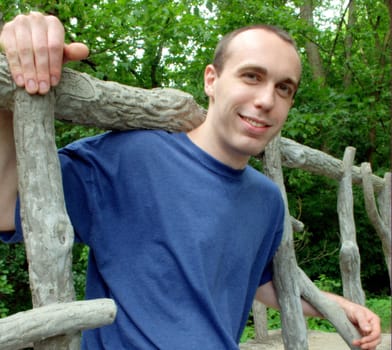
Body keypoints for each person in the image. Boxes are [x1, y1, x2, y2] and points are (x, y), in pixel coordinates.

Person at [0, 12, 381, 350]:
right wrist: (12, 75)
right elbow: (6, 208)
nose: (267, 99)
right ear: (211, 80)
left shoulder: (267, 200)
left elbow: (260, 283)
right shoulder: (128, 157)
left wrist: (338, 305)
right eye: (252, 76)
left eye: (284, 88)